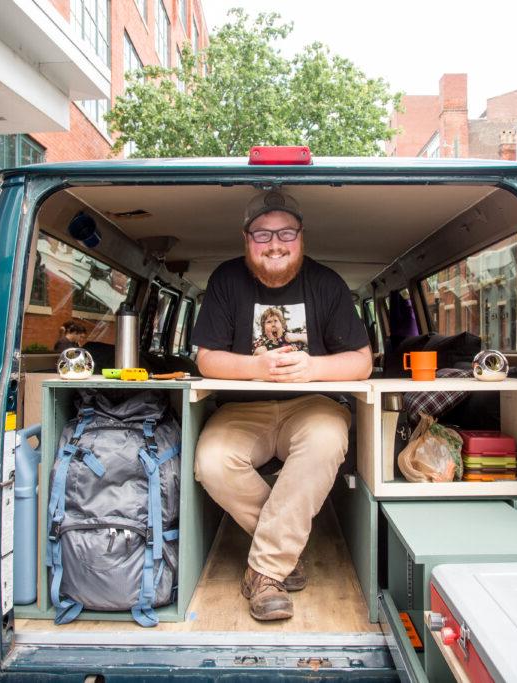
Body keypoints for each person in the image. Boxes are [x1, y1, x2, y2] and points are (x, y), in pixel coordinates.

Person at [191, 190, 372, 621]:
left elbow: (362, 362)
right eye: (262, 233)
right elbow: (206, 358)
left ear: (301, 237)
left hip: (312, 403)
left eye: (286, 232)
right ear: (246, 238)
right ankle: (285, 544)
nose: (275, 243)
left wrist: (311, 368)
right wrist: (257, 366)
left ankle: (266, 570)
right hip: (241, 408)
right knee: (212, 461)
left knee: (329, 438)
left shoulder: (326, 284)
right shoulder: (226, 280)